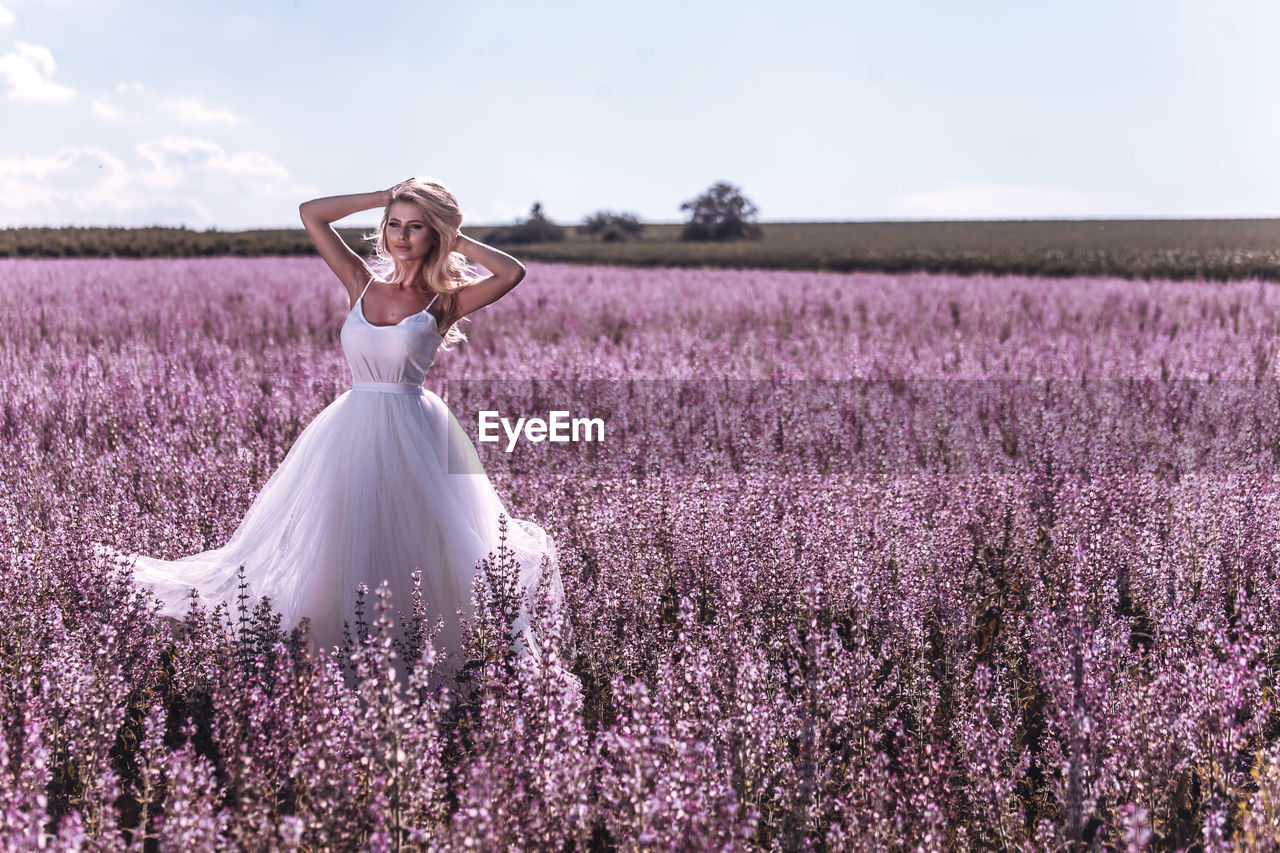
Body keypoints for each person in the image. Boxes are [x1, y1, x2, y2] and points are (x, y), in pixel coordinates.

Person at [97, 177, 565, 686]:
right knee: (345, 534)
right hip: (352, 427)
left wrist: (452, 233)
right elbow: (311, 213)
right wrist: (382, 199)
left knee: (416, 540)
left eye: (416, 228)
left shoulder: (443, 301)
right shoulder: (360, 282)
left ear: (435, 236)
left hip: (413, 427)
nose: (402, 237)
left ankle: (416, 652)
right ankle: (338, 648)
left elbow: (511, 271)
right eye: (394, 226)